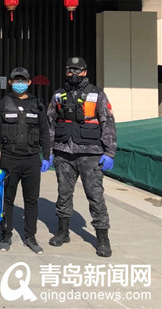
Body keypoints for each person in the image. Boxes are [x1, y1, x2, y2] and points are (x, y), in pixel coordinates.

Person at [47, 57, 117, 257]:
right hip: (64, 153)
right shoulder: (59, 95)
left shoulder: (97, 94)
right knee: (63, 194)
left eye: (78, 70)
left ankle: (102, 238)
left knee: (95, 196)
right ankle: (63, 231)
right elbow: (50, 122)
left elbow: (107, 122)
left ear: (85, 71)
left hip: (90, 153)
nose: (74, 73)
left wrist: (109, 152)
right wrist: (48, 151)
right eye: (70, 70)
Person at [0, 67, 51, 254]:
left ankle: (30, 237)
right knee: (7, 199)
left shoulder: (37, 104)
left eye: (23, 80)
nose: (20, 83)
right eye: (16, 80)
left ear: (29, 82)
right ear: (10, 82)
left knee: (31, 200)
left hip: (32, 159)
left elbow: (45, 132)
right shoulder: (2, 104)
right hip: (9, 158)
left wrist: (47, 156)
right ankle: (6, 235)